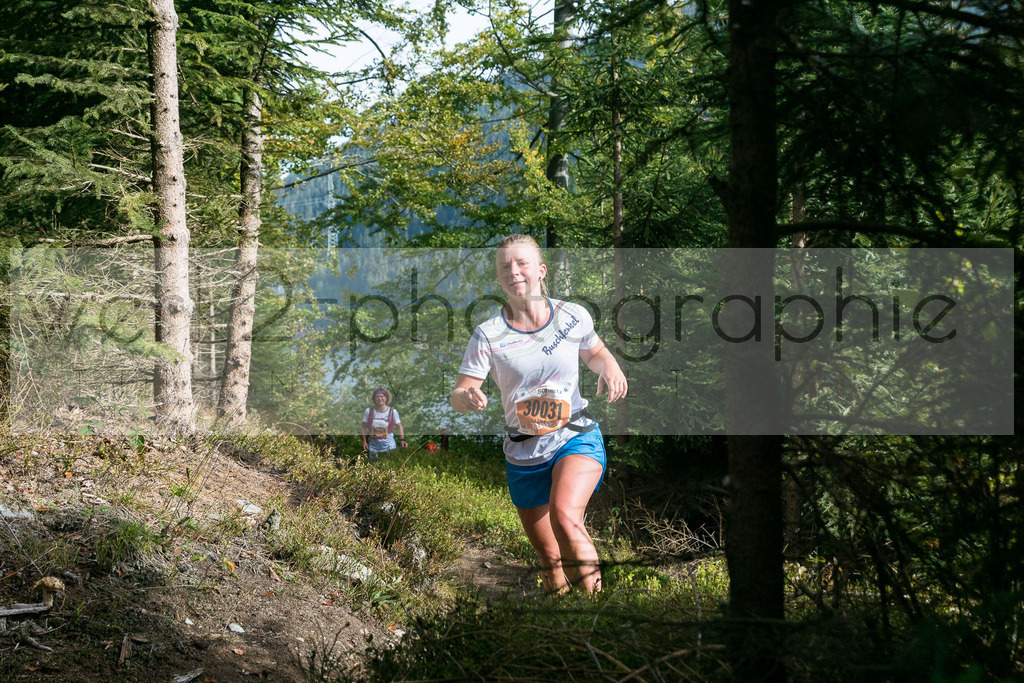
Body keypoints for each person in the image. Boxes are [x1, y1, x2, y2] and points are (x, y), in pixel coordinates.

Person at [451, 234, 628, 594]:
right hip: (524, 452)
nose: (513, 271)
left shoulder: (571, 316)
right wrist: (466, 396)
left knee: (566, 517)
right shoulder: (489, 334)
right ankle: (562, 626)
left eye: (522, 263)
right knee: (549, 560)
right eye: (505, 266)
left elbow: (596, 353)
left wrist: (610, 366)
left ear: (540, 270)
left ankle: (598, 617)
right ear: (499, 277)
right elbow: (458, 392)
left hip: (574, 435)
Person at [361, 388, 407, 456]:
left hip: (389, 446)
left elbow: (399, 426)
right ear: (373, 399)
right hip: (373, 447)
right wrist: (364, 442)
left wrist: (402, 440)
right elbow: (363, 427)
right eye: (377, 396)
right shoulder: (368, 411)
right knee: (374, 466)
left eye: (382, 396)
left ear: (386, 398)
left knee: (390, 465)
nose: (380, 398)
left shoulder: (393, 412)